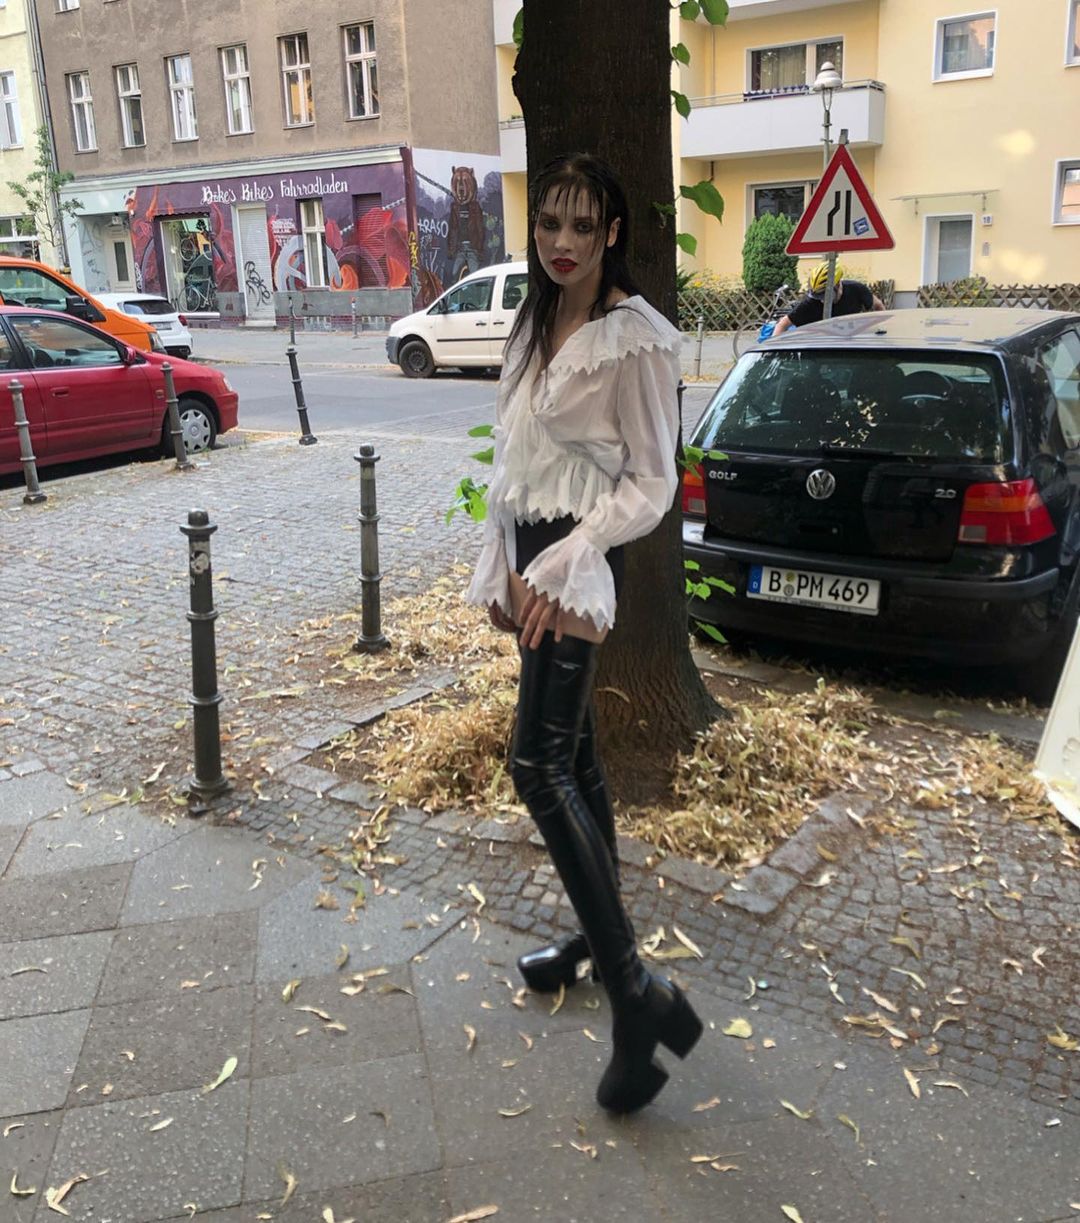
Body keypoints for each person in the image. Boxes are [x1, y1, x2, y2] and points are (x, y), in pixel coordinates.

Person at [466, 153, 703, 1114]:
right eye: (547, 224)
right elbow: (514, 454)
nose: (560, 243)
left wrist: (572, 556)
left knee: (536, 763)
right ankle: (604, 949)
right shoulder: (533, 320)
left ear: (612, 233)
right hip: (534, 552)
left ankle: (637, 997)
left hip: (582, 556)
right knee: (577, 759)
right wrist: (501, 560)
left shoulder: (634, 337)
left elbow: (653, 480)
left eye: (580, 226)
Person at [770, 262, 885, 337]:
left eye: (825, 296)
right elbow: (782, 324)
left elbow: (878, 306)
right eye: (818, 296)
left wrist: (882, 330)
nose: (822, 301)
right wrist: (772, 350)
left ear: (838, 285)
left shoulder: (856, 289)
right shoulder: (809, 303)